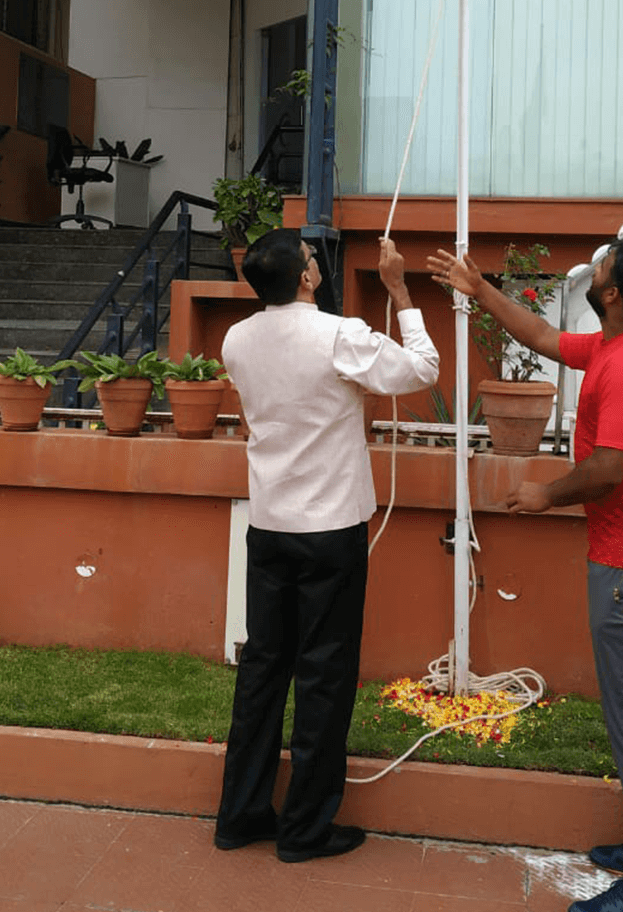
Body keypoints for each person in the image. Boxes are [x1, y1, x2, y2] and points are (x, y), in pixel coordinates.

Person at [428, 236, 623, 912]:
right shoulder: (616, 344)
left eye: (603, 264)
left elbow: (609, 468)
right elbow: (545, 335)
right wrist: (478, 287)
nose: (596, 265)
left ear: (611, 293)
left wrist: (544, 492)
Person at [215, 228, 439, 864]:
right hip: (331, 529)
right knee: (323, 675)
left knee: (263, 668)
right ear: (307, 277)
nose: (319, 265)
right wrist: (398, 289)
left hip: (271, 525)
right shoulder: (339, 335)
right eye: (314, 259)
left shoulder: (236, 338)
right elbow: (423, 370)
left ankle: (240, 815)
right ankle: (305, 829)